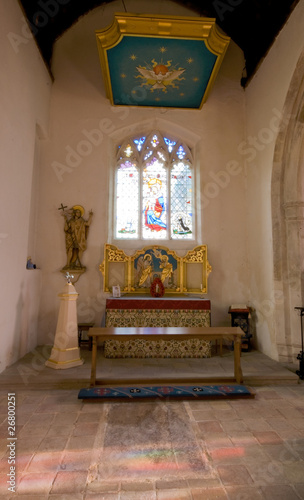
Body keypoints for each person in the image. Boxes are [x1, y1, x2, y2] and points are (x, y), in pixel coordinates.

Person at [62, 205, 93, 270]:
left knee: (80, 250)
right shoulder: (71, 221)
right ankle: (68, 264)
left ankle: (78, 264)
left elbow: (87, 224)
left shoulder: (82, 221)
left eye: (79, 212)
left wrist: (90, 216)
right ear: (75, 213)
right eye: (77, 212)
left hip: (79, 238)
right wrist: (65, 220)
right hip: (71, 238)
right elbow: (66, 229)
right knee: (70, 250)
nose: (79, 213)